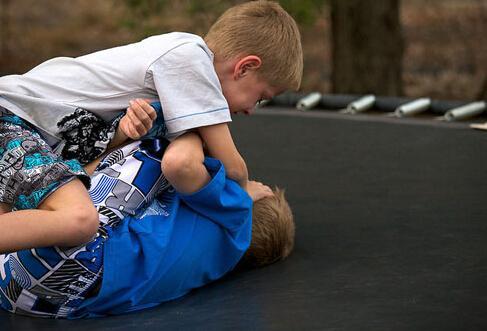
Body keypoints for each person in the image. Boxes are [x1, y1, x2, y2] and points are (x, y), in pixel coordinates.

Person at [0, 0, 303, 254]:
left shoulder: (169, 99)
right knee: (77, 219)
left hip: (31, 134)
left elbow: (91, 155)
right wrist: (243, 192)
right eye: (261, 97)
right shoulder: (189, 57)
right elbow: (231, 163)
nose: (251, 110)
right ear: (245, 67)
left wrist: (122, 134)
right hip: (11, 117)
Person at [0, 133, 295, 318]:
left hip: (85, 254)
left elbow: (179, 162)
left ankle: (46, 180)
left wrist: (193, 125)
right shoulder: (217, 261)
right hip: (31, 297)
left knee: (155, 148)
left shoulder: (237, 216)